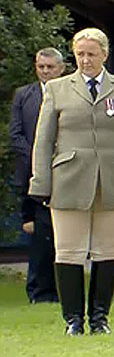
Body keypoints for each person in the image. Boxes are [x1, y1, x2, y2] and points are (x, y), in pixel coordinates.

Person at [28, 28, 114, 335]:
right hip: (69, 179)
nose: (85, 60)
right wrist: (40, 182)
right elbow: (43, 140)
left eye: (91, 54)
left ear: (105, 55)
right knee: (68, 251)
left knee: (107, 250)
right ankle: (73, 320)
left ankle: (99, 318)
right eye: (80, 54)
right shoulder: (57, 89)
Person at [9, 47, 65, 304]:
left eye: (50, 67)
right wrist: (37, 157)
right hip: (32, 176)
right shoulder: (24, 95)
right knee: (39, 234)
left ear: (61, 68)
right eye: (41, 67)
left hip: (63, 173)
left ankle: (58, 289)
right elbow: (15, 134)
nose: (44, 71)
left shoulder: (68, 93)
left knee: (59, 235)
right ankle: (39, 291)